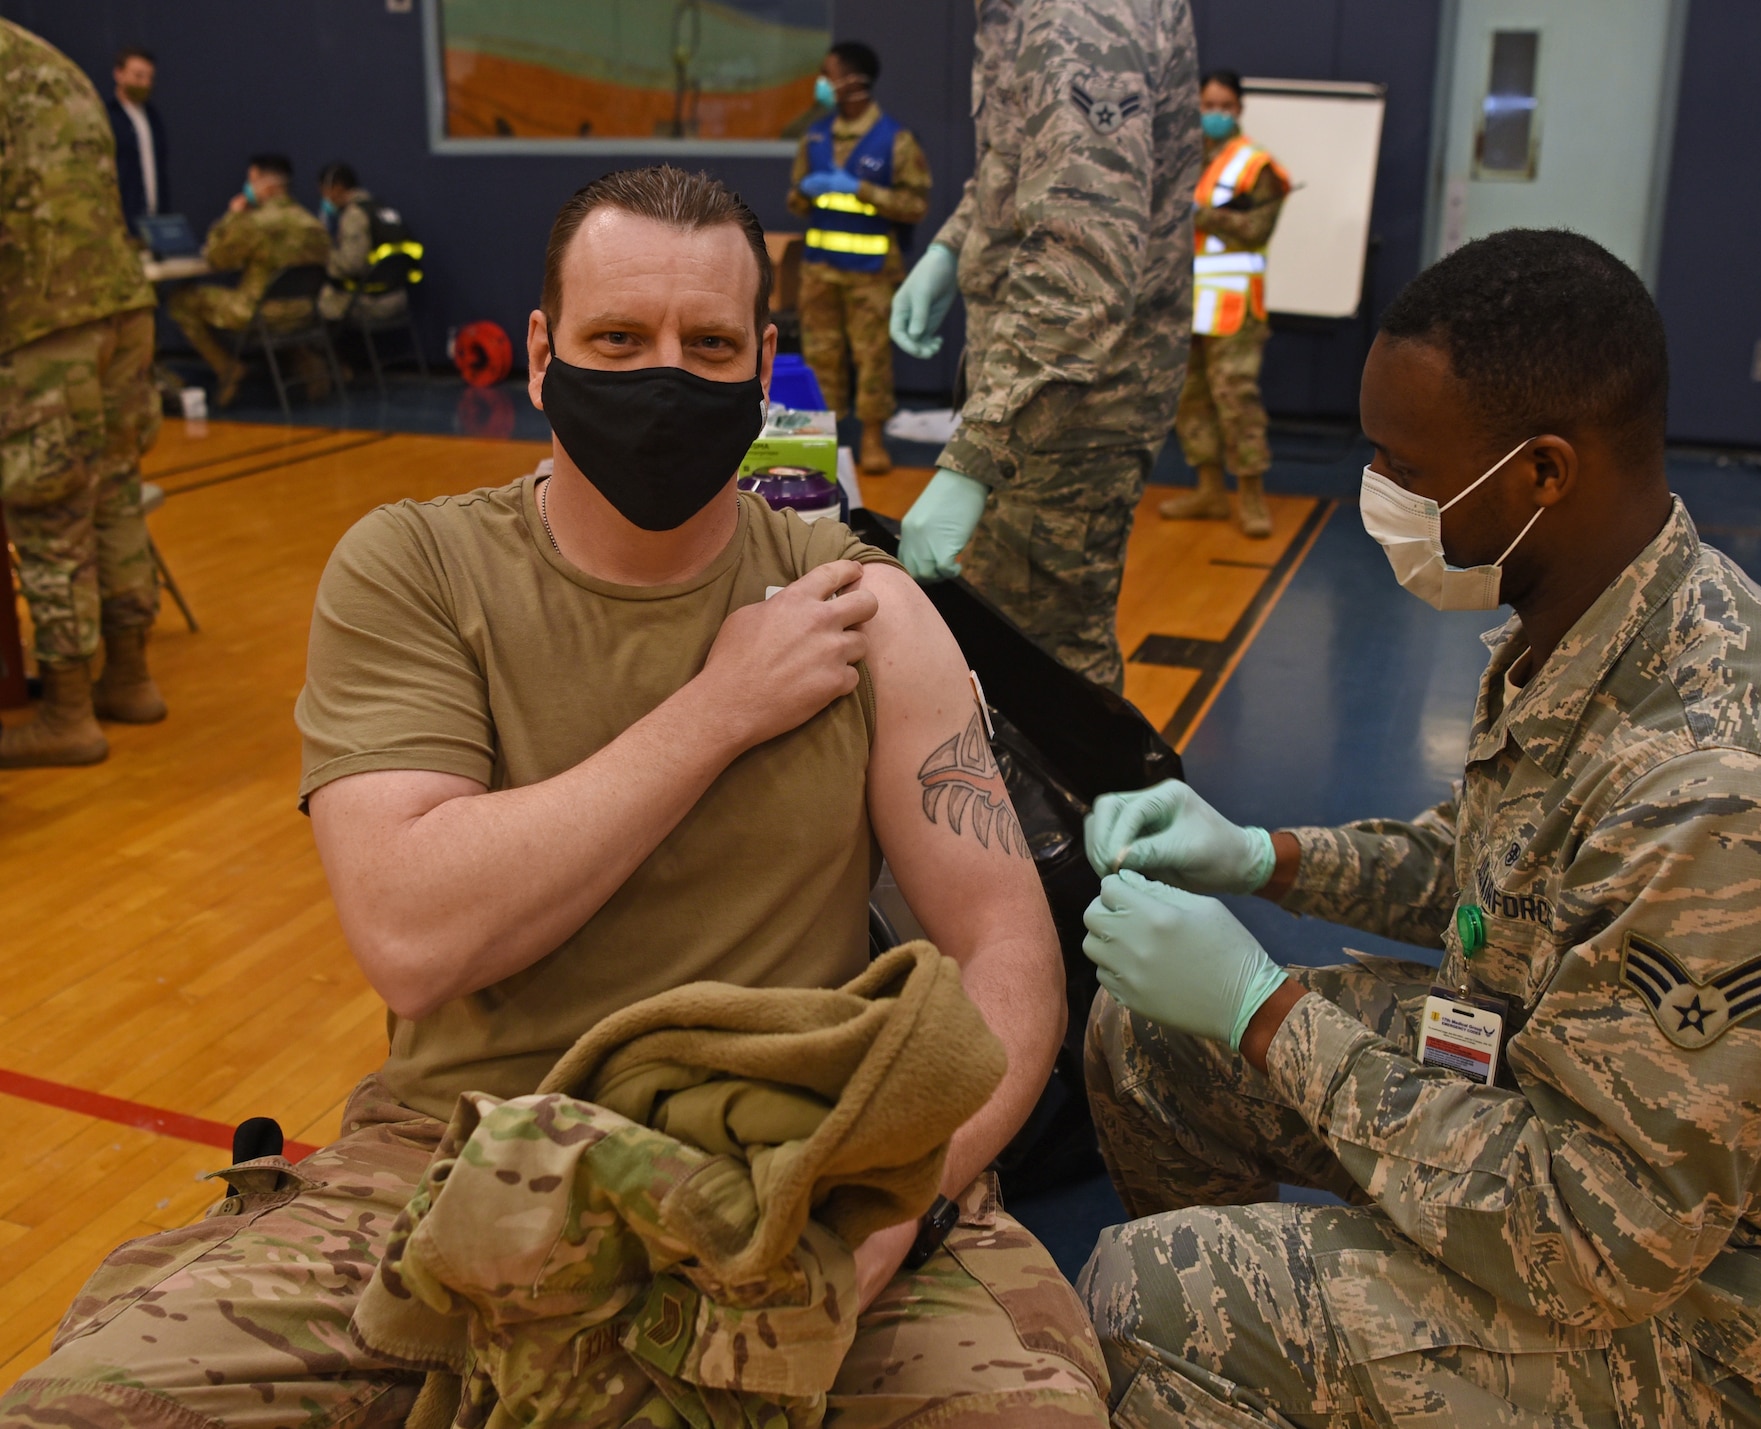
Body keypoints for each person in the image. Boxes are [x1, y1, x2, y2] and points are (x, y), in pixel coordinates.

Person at [0, 164, 1111, 1428]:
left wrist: (886, 1201)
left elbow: (1005, 951)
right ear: (540, 355)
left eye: (707, 345)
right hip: (450, 1150)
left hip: (795, 1157)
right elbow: (416, 938)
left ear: (761, 364)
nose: (663, 379)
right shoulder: (415, 569)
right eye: (617, 340)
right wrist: (718, 707)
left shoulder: (859, 606)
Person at [1072, 231, 1761, 1426]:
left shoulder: (1718, 787)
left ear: (1539, 472)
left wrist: (1263, 1009)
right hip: (1557, 1100)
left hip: (1736, 1312)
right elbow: (1496, 878)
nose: (1372, 491)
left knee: (1148, 1294)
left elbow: (1605, 1235)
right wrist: (1260, 853)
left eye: (1399, 462)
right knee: (1151, 1040)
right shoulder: (1596, 615)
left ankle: (1257, 1361)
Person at [888, 0, 1200, 692]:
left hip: (1070, 394)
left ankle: (1096, 802)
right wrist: (951, 245)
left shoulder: (1074, 12)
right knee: (1013, 636)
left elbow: (1083, 256)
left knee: (1044, 661)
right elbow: (1020, 156)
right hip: (1037, 379)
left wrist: (975, 457)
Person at [0, 19, 166, 769]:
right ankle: (128, 676)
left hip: (41, 317)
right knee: (113, 493)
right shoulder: (44, 57)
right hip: (118, 303)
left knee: (49, 508)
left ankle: (65, 712)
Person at [787, 40, 931, 477]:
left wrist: (860, 190)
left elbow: (915, 204)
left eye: (828, 73)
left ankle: (871, 437)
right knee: (821, 356)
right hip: (819, 270)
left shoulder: (895, 140)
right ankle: (822, 439)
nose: (822, 82)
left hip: (871, 273)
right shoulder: (814, 136)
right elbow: (796, 199)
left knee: (872, 358)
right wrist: (806, 191)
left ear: (852, 80)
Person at [1161, 67, 1290, 539]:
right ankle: (1210, 491)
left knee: (1236, 403)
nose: (1214, 114)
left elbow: (1258, 230)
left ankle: (1252, 499)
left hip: (1234, 307)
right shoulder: (1180, 160)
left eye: (1224, 106)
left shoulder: (1255, 166)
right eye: (1207, 105)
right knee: (1190, 402)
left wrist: (1204, 215)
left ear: (1239, 109)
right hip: (1183, 305)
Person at [165, 152, 331, 407]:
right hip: (305, 313)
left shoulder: (255, 223)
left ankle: (228, 369)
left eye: (252, 180)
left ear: (267, 185)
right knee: (280, 306)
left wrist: (233, 215)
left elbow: (216, 257)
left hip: (259, 315)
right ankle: (306, 362)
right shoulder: (313, 224)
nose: (249, 187)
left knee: (180, 300)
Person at [316, 160, 418, 327]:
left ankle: (324, 353)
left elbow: (352, 264)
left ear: (337, 188)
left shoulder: (354, 215)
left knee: (321, 301)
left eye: (324, 192)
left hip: (373, 303)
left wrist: (325, 256)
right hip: (399, 296)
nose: (324, 199)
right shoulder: (382, 209)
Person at [105, 44, 168, 233]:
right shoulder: (107, 117)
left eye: (149, 77)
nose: (145, 83)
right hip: (120, 224)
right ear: (119, 73)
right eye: (138, 75)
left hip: (153, 223)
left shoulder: (153, 117)